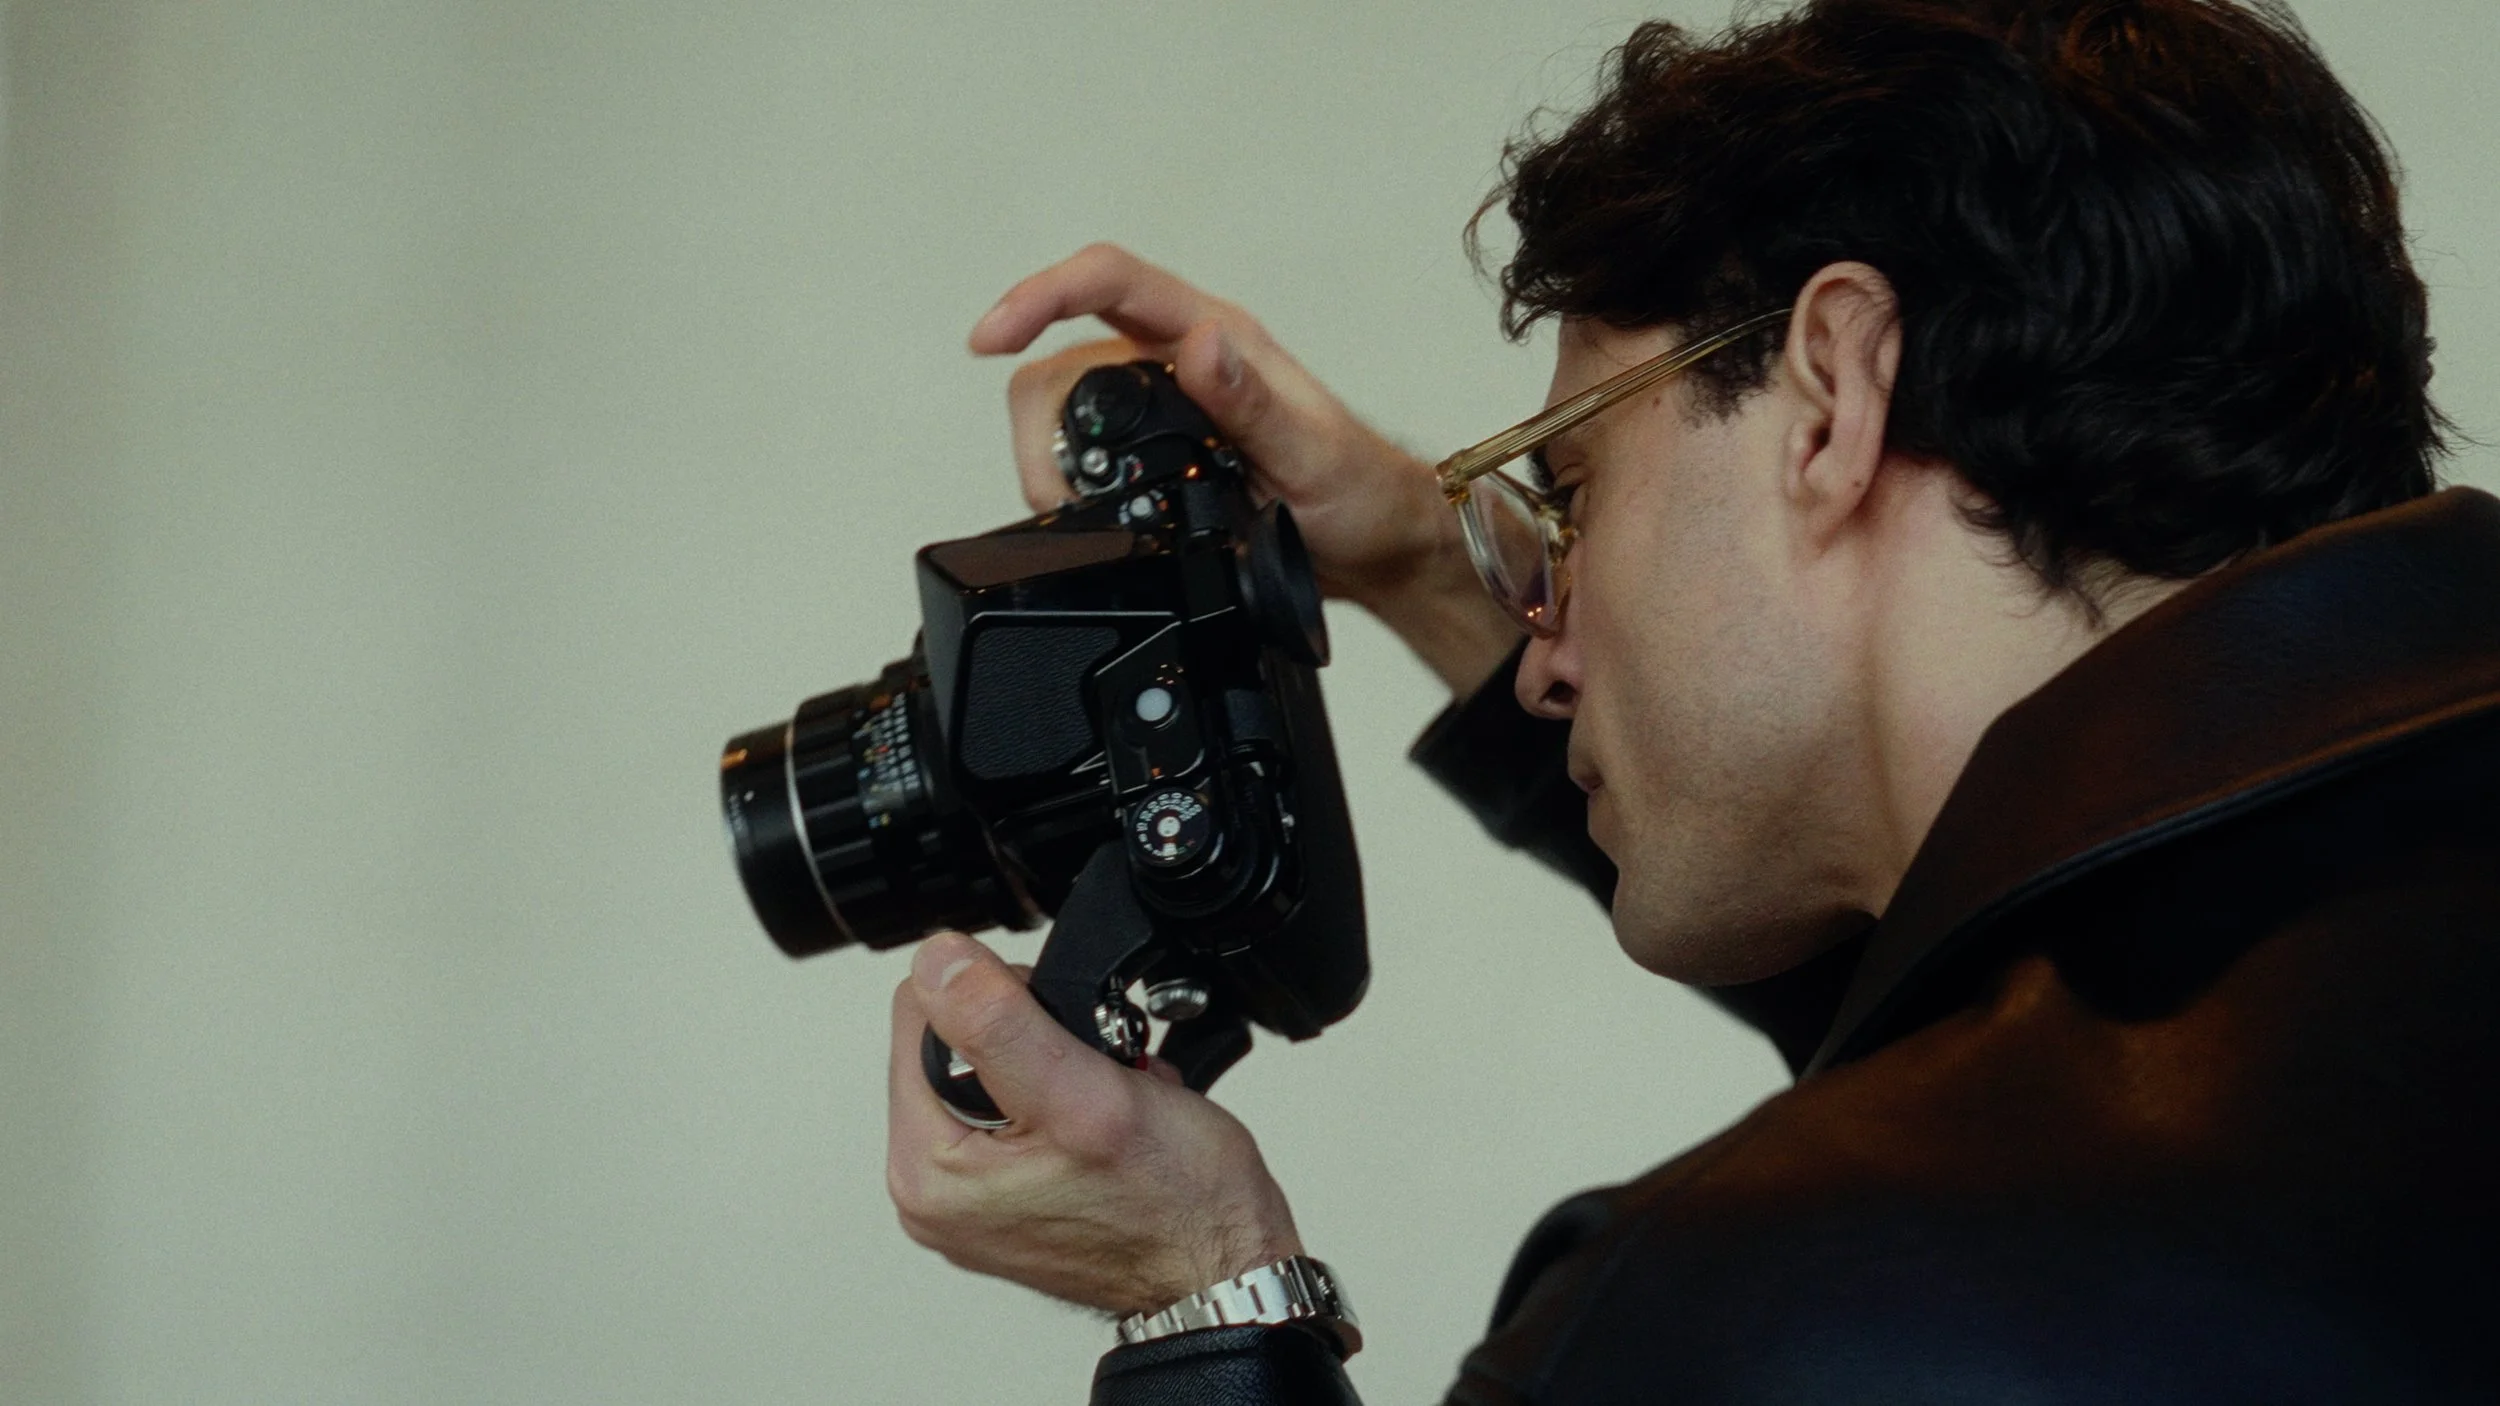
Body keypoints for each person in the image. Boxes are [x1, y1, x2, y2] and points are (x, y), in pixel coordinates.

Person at [884, 1, 2500, 1400]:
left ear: (1833, 393)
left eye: (1569, 494)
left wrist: (1204, 1300)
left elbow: (1988, 1124)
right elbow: (2046, 992)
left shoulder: (1752, 1313)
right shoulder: (2359, 980)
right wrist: (1398, 546)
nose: (1537, 646)